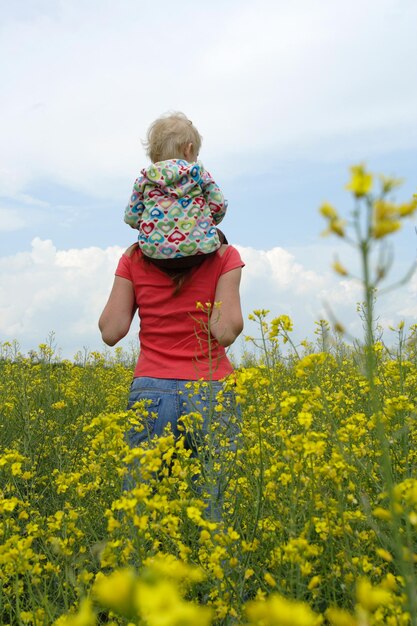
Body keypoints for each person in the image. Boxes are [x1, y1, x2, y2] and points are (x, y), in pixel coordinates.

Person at [98, 237, 244, 516]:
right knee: (218, 513)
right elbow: (225, 331)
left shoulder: (134, 256)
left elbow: (110, 331)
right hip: (211, 389)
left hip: (150, 392)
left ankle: (143, 561)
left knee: (140, 514)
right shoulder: (225, 255)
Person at [123, 112, 228, 270]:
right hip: (199, 251)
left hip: (155, 254)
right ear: (189, 149)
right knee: (221, 237)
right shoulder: (199, 174)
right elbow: (218, 206)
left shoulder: (144, 180)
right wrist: (204, 222)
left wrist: (151, 226)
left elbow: (131, 217)